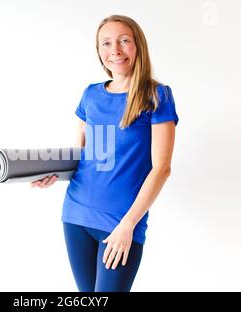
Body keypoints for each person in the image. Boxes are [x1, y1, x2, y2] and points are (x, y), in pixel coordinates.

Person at [31, 14, 179, 292]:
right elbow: (86, 154)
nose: (115, 50)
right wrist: (54, 173)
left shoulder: (158, 96)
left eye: (124, 41)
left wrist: (127, 226)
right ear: (99, 51)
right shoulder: (91, 94)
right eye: (106, 43)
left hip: (121, 222)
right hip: (76, 215)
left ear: (138, 46)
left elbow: (162, 168)